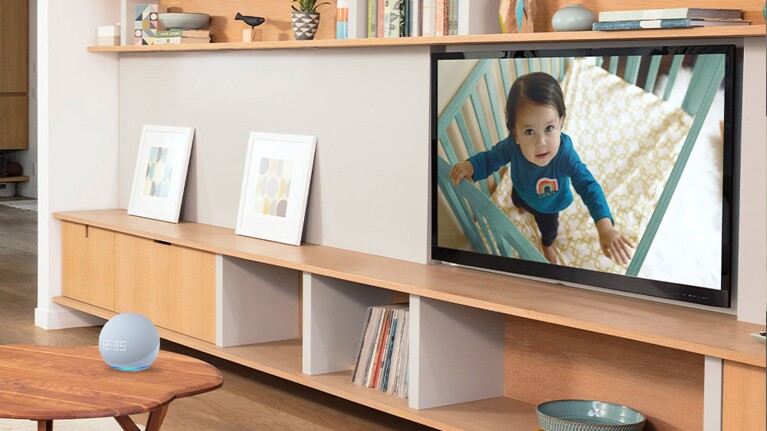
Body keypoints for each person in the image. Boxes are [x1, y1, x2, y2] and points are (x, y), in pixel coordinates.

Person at [449, 72, 632, 265]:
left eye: (549, 128)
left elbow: (588, 186)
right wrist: (470, 166)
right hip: (520, 190)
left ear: (560, 123)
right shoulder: (512, 146)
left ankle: (547, 245)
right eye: (529, 131)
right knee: (517, 200)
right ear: (516, 134)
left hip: (549, 206)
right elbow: (490, 159)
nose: (541, 142)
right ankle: (521, 207)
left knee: (549, 231)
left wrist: (605, 227)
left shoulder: (565, 155)